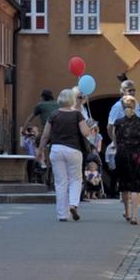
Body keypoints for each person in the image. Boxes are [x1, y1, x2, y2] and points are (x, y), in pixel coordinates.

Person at [39, 88, 93, 222]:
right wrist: (88, 125)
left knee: (60, 182)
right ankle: (73, 204)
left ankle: (62, 214)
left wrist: (40, 150)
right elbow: (86, 133)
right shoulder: (77, 115)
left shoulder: (54, 115)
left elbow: (46, 135)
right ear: (72, 100)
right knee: (75, 179)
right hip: (74, 150)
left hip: (56, 149)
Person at [113, 95, 140, 224]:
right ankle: (134, 215)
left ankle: (127, 212)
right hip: (137, 156)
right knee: (135, 186)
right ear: (135, 106)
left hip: (122, 155)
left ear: (122, 107)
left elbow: (115, 141)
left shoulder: (118, 122)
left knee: (124, 185)